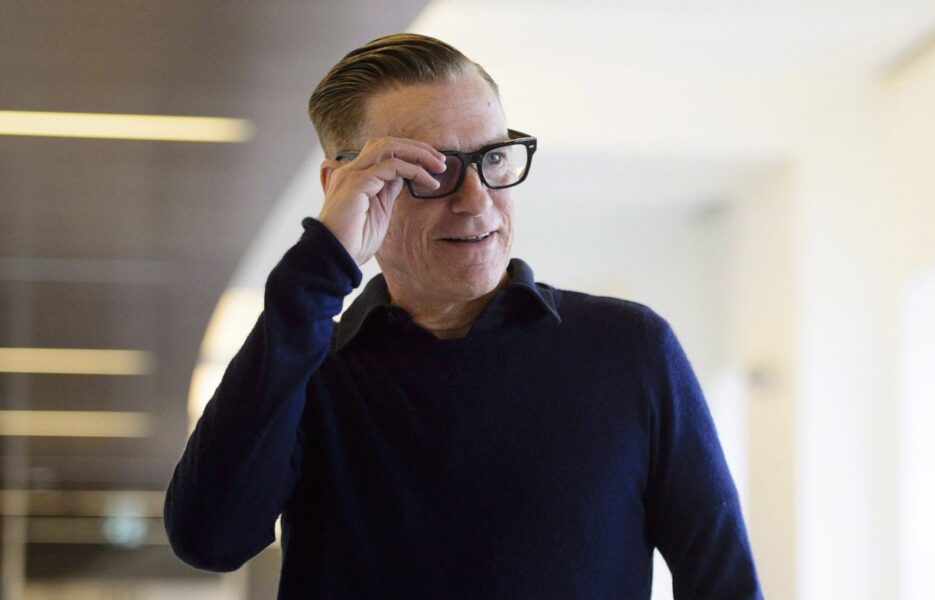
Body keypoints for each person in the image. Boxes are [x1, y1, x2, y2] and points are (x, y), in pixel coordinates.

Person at [164, 33, 763, 599]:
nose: (476, 201)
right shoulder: (307, 368)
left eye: (493, 158)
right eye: (430, 170)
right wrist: (316, 268)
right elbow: (210, 540)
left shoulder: (627, 348)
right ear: (342, 184)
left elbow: (724, 584)